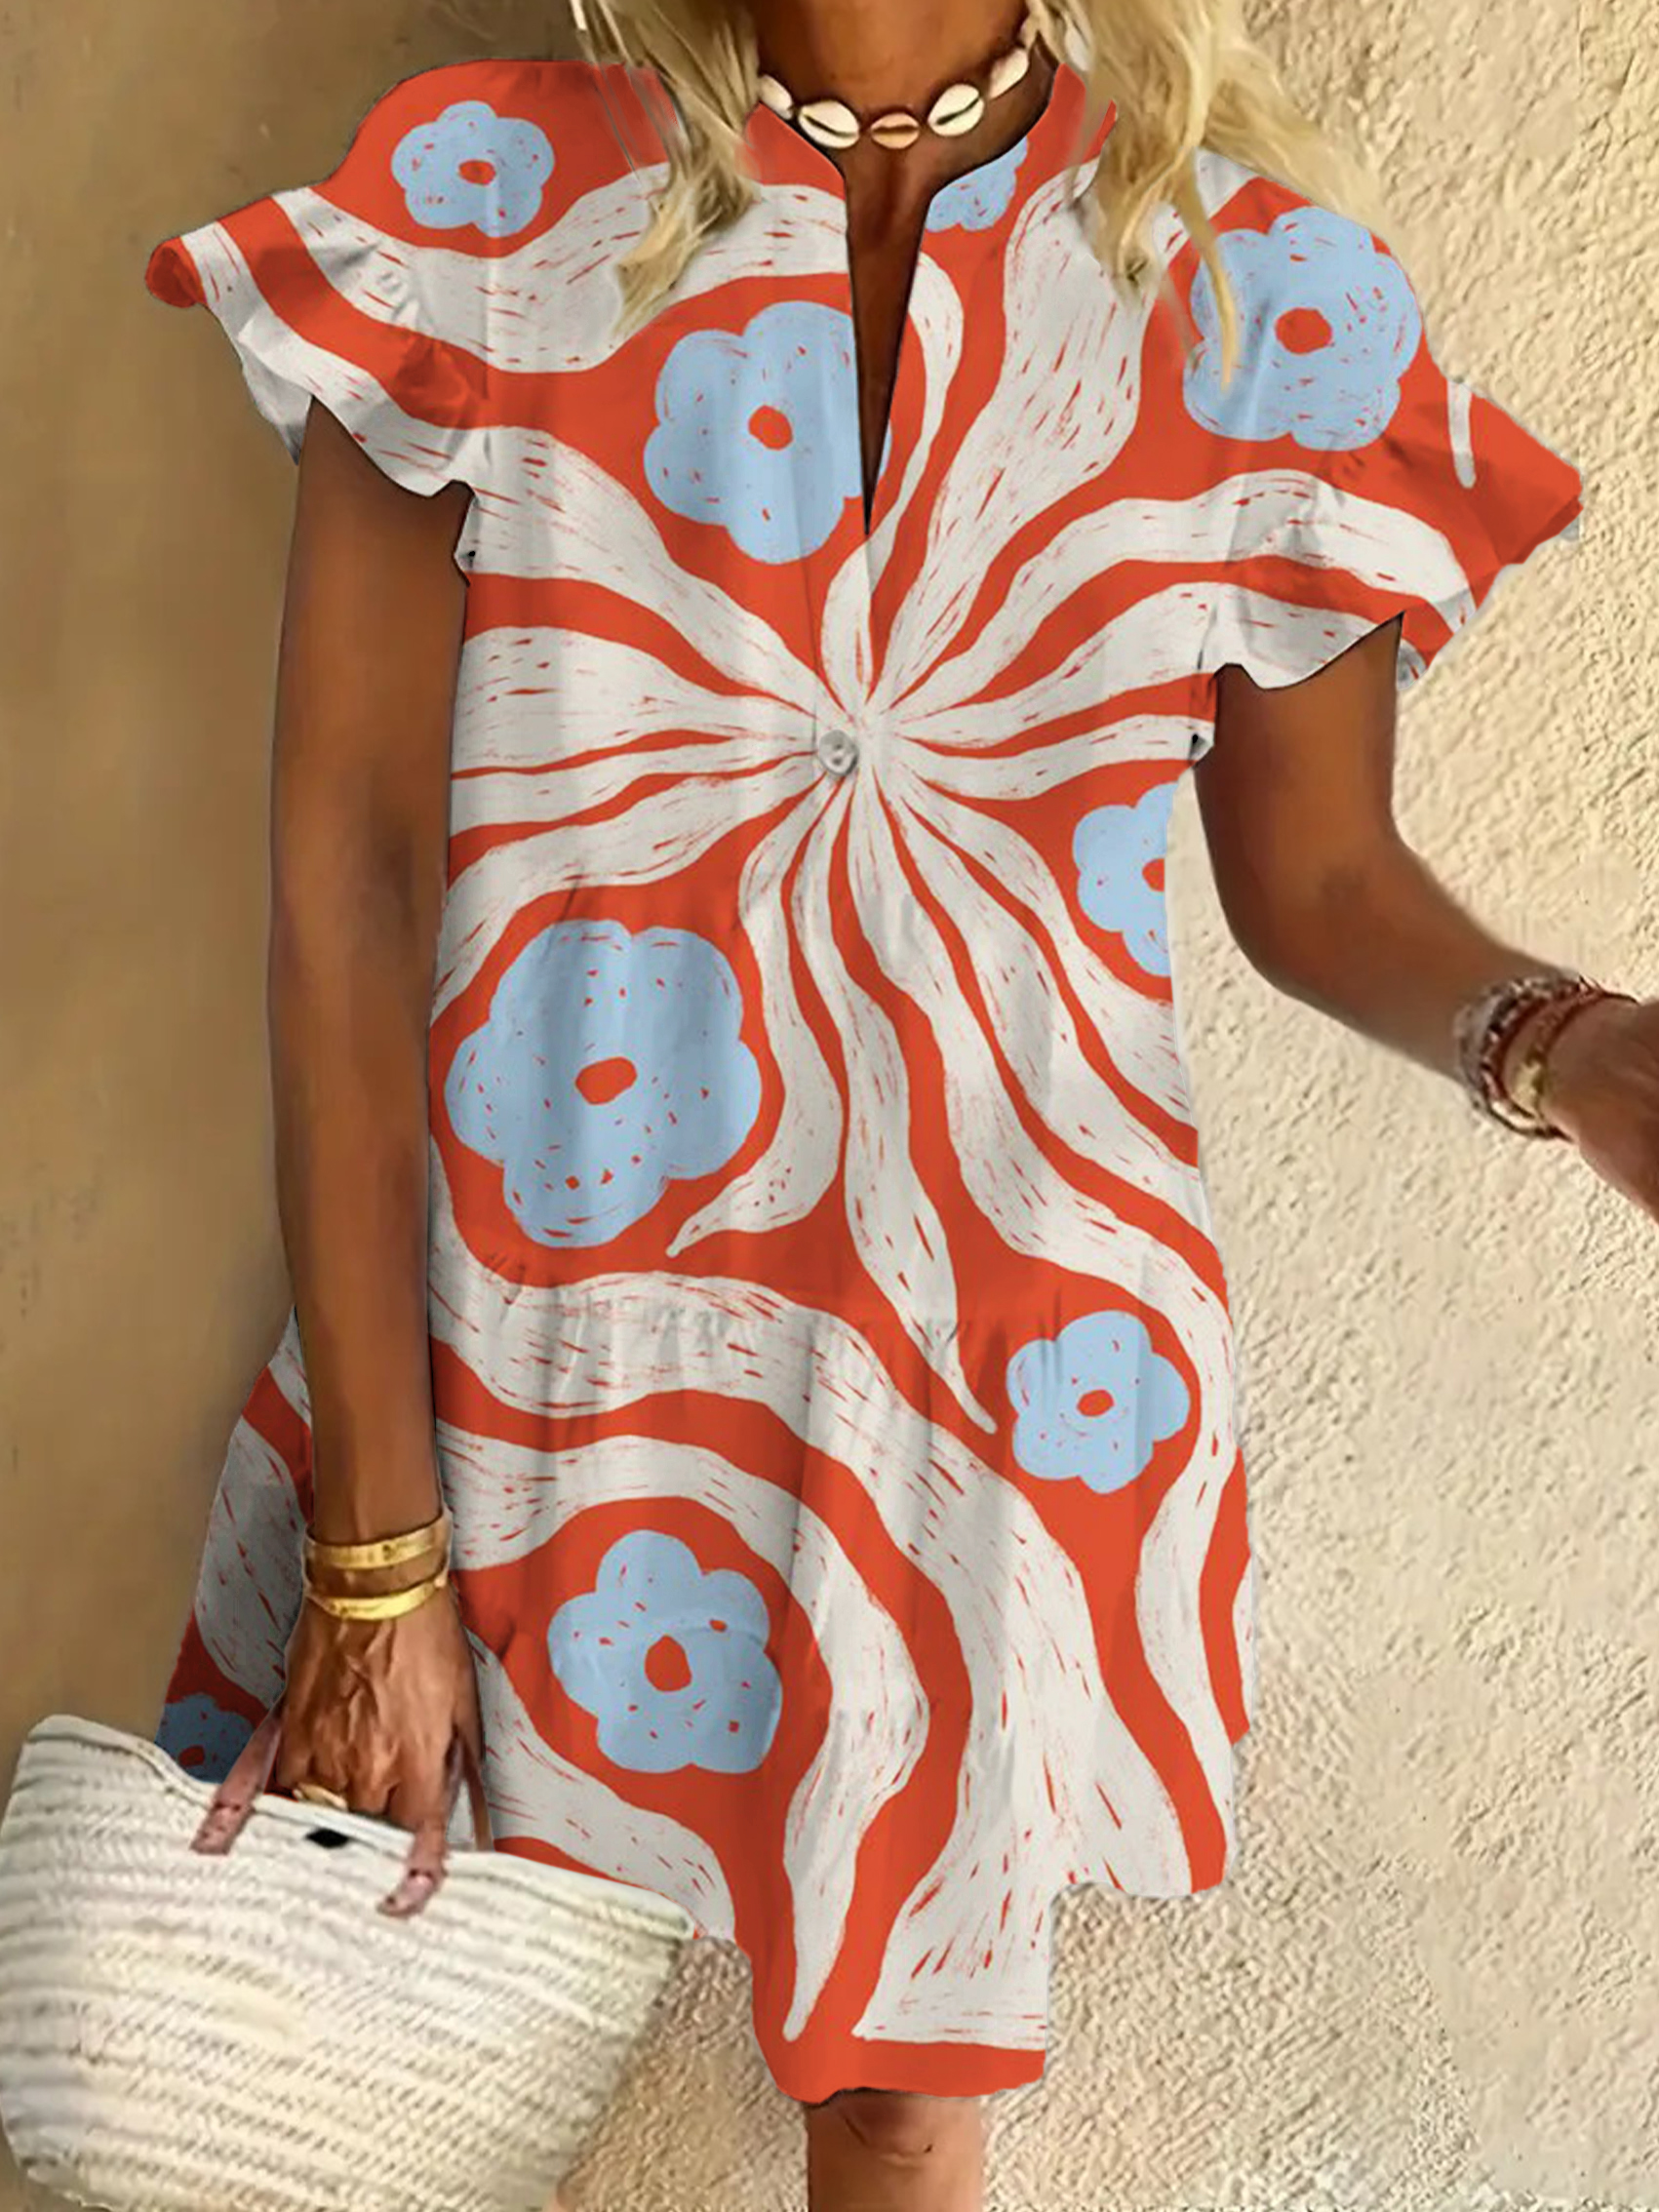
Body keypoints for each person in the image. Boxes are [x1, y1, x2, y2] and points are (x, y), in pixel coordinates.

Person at [141, 1, 1648, 2205]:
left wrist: (1558, 1043)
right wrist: (375, 1548)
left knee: (896, 2091)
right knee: (381, 2057)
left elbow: (1321, 883)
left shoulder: (1253, 288)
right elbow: (351, 885)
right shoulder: (490, 201)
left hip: (997, 1359)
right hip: (526, 1344)